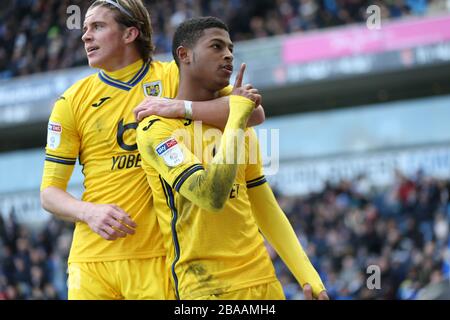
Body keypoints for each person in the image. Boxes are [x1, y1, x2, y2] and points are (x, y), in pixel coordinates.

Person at [40, 0, 264, 300]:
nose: (85, 36)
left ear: (130, 34)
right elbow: (49, 194)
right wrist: (88, 212)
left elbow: (252, 114)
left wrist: (179, 106)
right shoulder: (71, 101)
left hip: (159, 257)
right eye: (84, 29)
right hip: (90, 262)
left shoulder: (174, 75)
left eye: (98, 26)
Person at [136, 16, 329, 300]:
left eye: (230, 49)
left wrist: (309, 277)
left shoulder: (239, 123)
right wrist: (237, 115)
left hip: (264, 282)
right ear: (184, 55)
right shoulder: (156, 129)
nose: (227, 54)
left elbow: (265, 206)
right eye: (216, 46)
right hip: (206, 289)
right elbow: (210, 196)